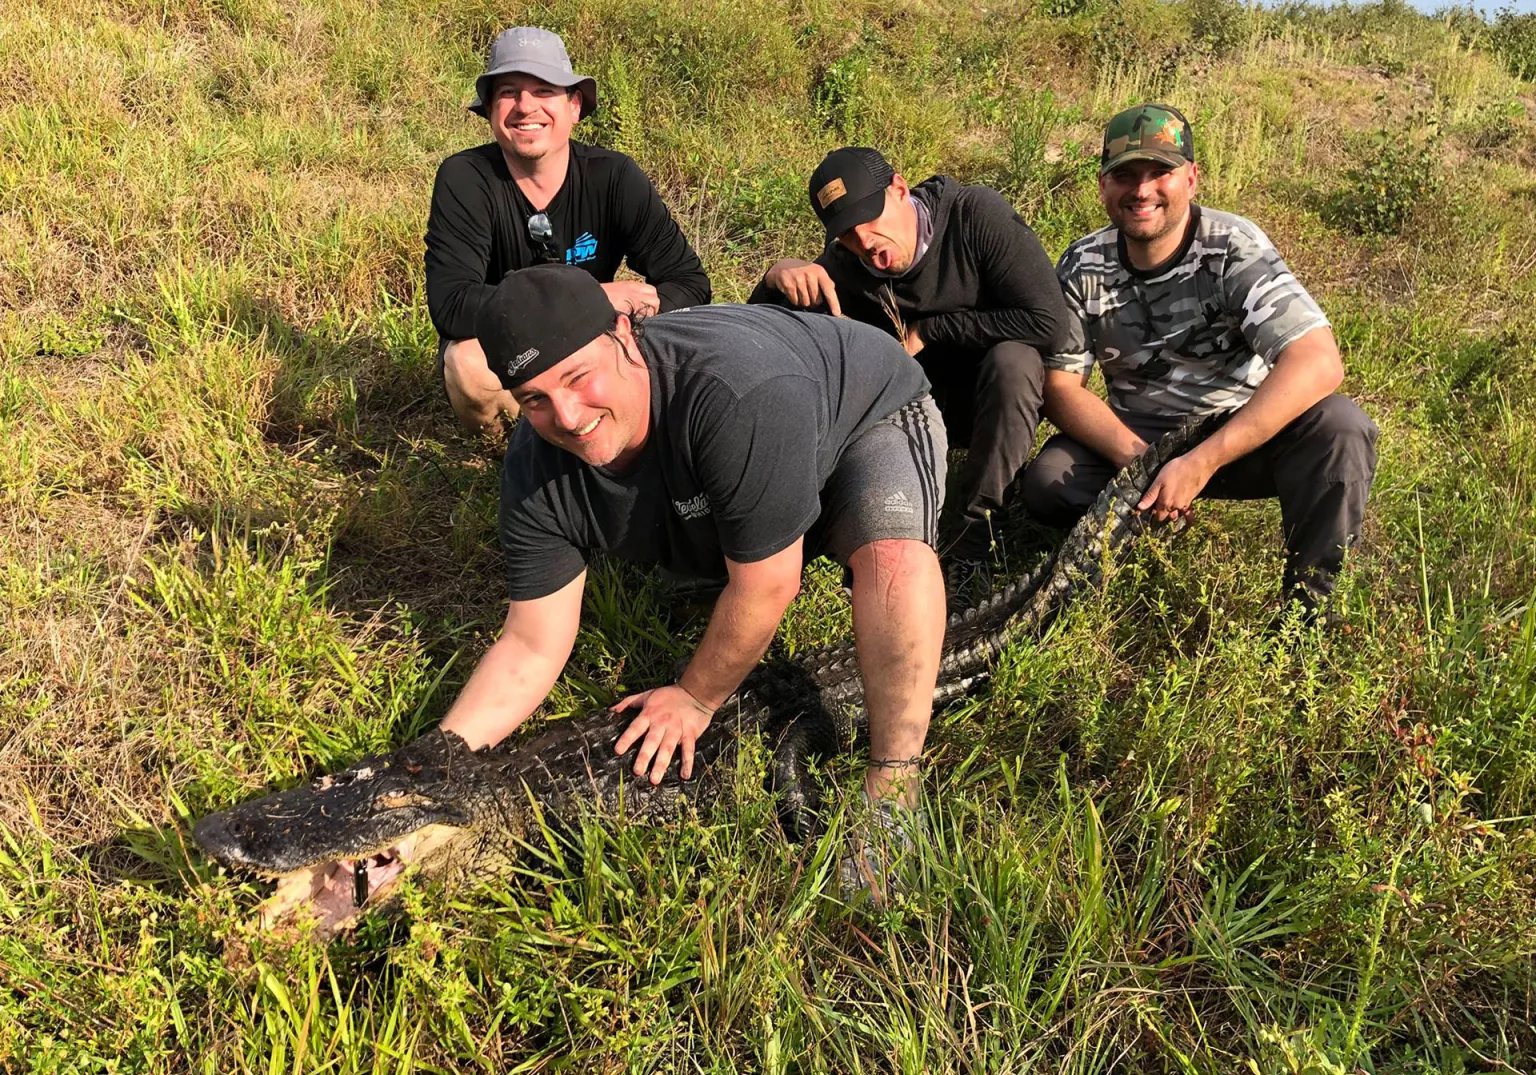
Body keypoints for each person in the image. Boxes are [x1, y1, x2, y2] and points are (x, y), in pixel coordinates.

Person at [439, 264, 948, 899]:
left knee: (893, 559)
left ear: (624, 334)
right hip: (749, 460)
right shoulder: (534, 469)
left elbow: (768, 585)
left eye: (577, 376)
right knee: (728, 538)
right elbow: (529, 644)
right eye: (534, 399)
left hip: (863, 418)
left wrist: (695, 697)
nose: (567, 416)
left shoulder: (735, 390)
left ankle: (895, 784)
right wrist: (437, 767)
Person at [1020, 104, 1378, 619]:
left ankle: (1307, 617)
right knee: (1048, 481)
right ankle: (1140, 545)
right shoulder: (1083, 264)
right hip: (1140, 430)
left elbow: (1318, 361)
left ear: (1191, 178)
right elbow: (1061, 385)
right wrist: (1143, 463)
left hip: (1238, 429)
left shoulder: (1232, 248)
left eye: (1159, 173)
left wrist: (1201, 462)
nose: (1142, 190)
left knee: (1341, 428)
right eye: (1125, 175)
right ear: (1103, 186)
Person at [748, 147, 1076, 609]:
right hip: (908, 415)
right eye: (846, 233)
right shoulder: (845, 267)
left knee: (1015, 361)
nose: (865, 241)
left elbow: (1048, 322)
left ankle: (976, 536)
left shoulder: (973, 216)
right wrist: (775, 276)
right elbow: (760, 340)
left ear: (900, 189)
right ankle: (848, 544)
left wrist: (931, 330)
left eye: (869, 217)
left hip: (992, 400)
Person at [424, 27, 711, 435]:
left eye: (544, 90)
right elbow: (452, 306)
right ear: (489, 109)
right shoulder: (466, 178)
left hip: (593, 341)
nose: (526, 106)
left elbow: (690, 283)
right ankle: (511, 453)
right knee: (467, 364)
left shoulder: (613, 177)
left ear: (574, 105)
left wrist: (625, 327)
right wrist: (592, 298)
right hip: (512, 346)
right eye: (508, 92)